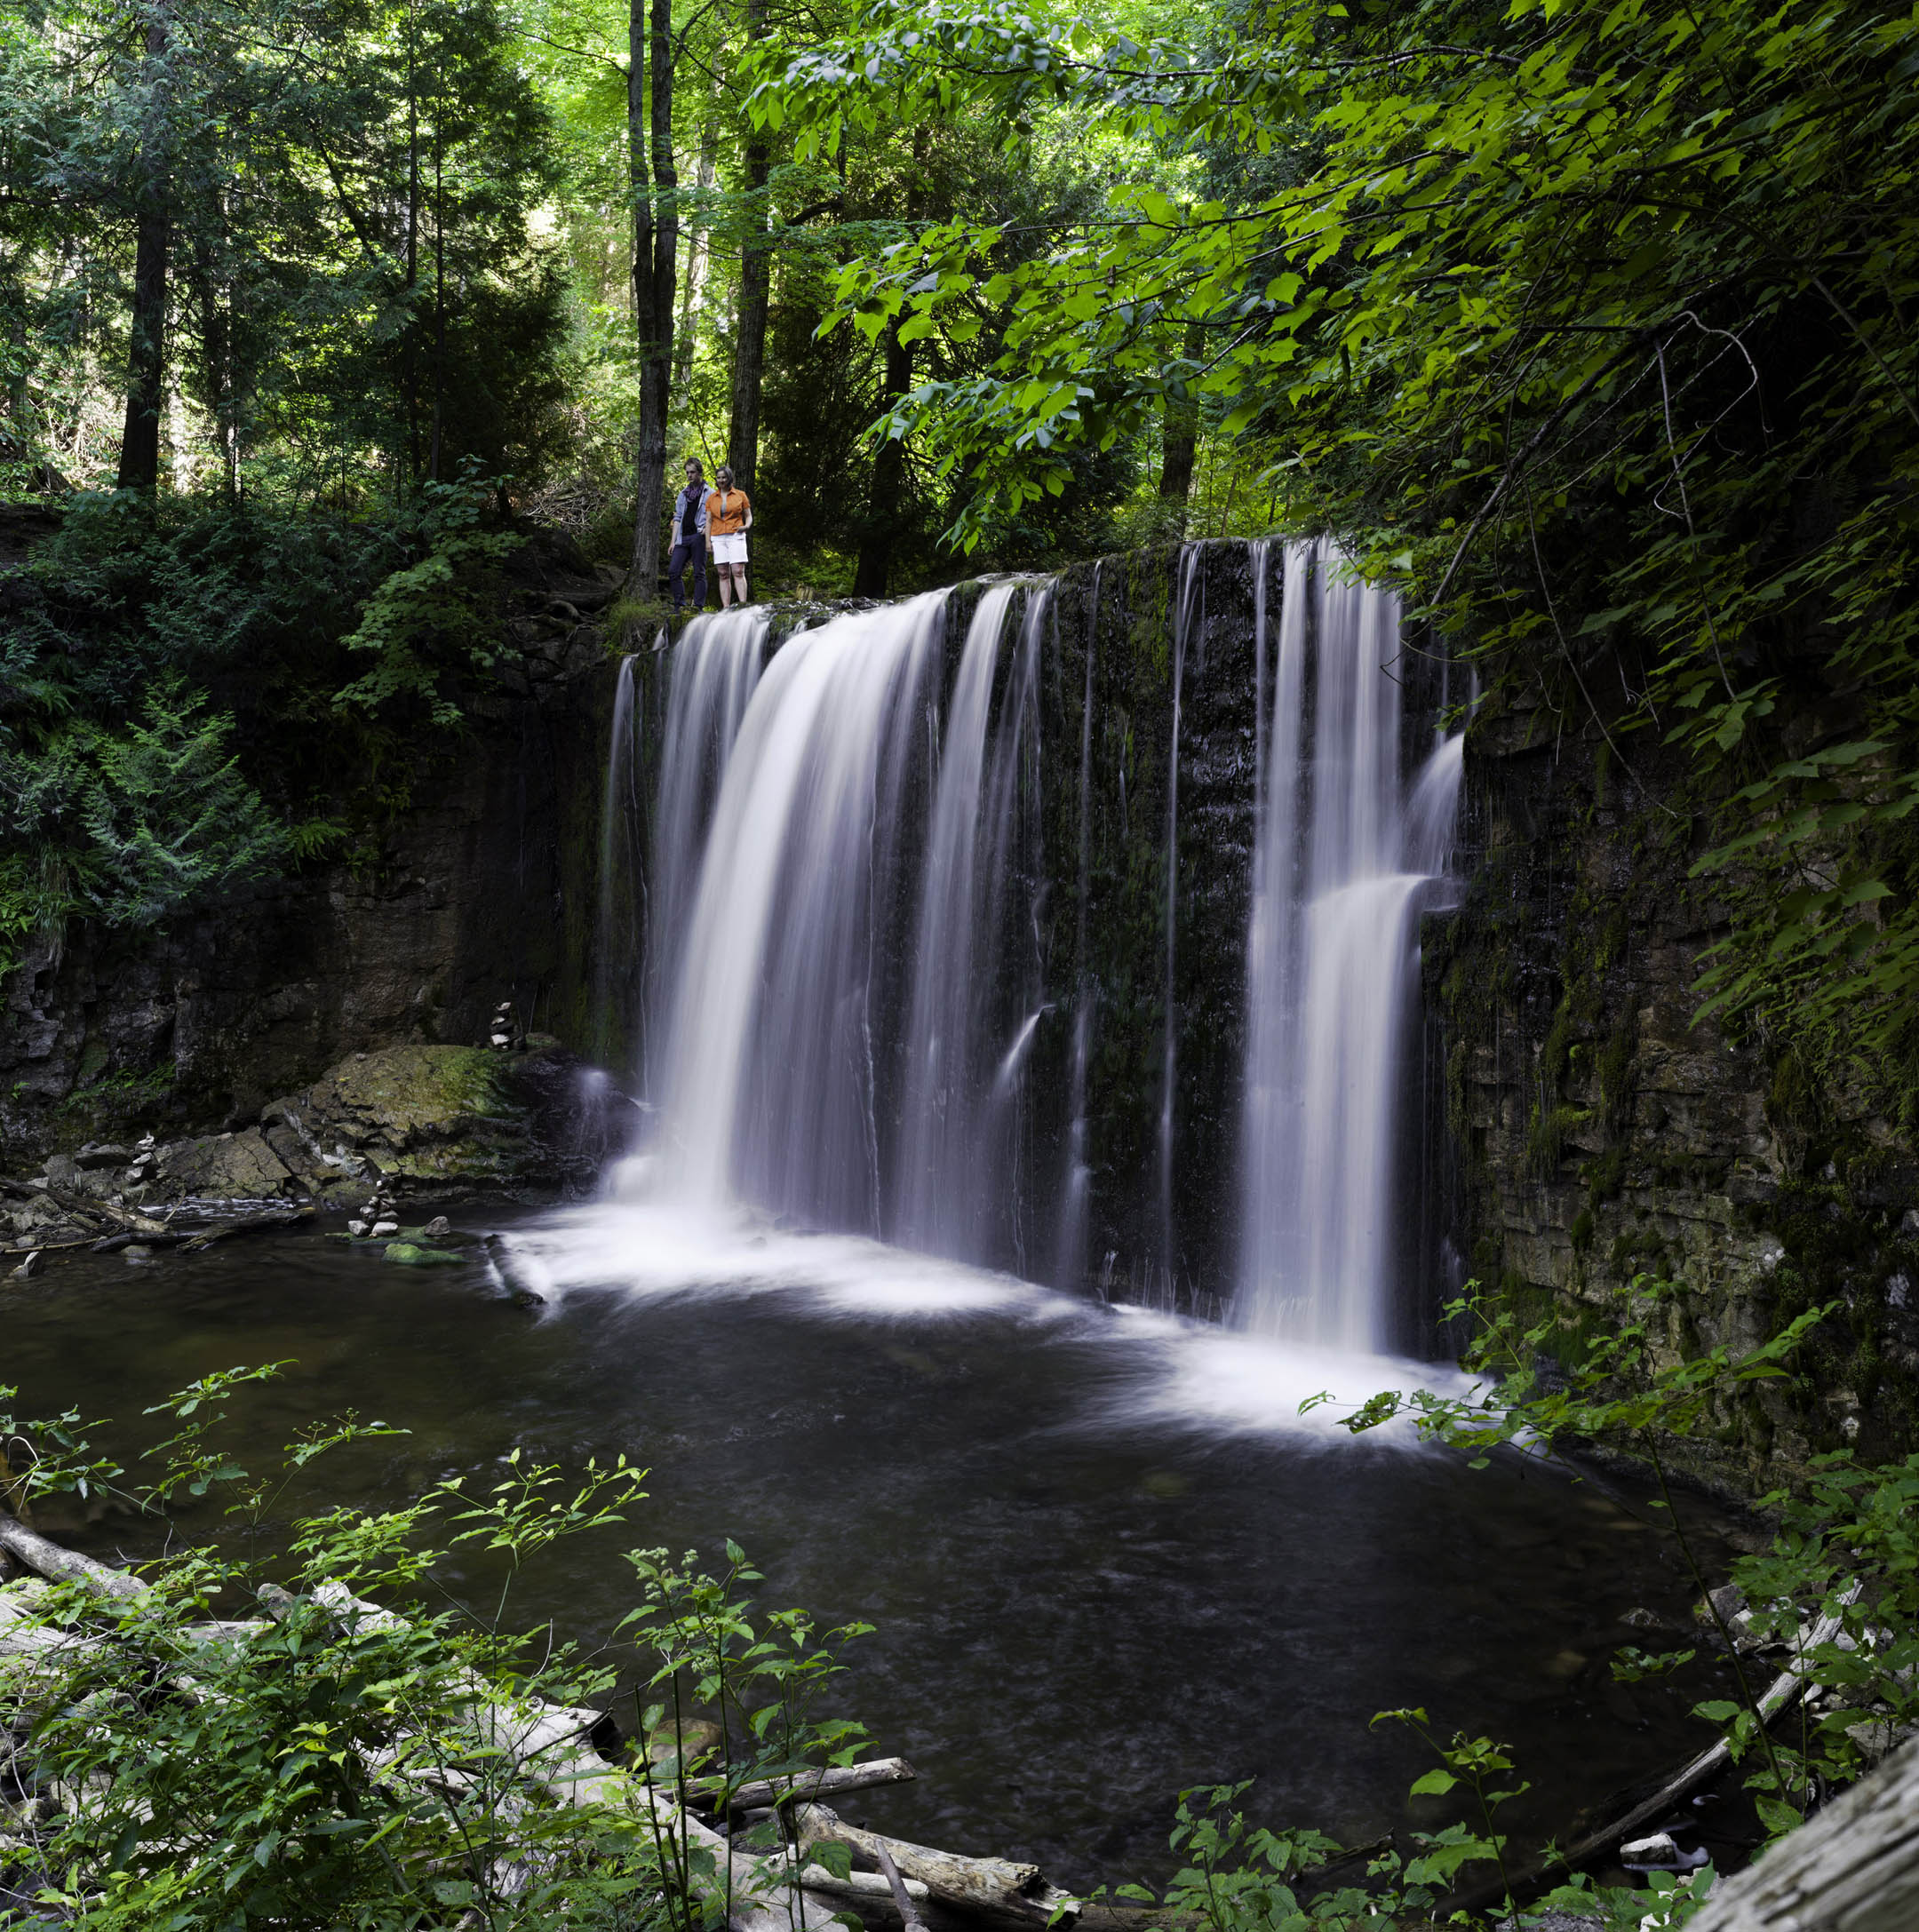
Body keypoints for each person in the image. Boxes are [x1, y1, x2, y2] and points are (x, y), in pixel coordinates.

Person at [705, 465, 753, 607]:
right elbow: (708, 521)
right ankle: (726, 608)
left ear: (729, 478)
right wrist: (707, 542)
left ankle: (743, 605)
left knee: (738, 570)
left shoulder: (741, 495)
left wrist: (746, 526)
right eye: (719, 478)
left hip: (736, 535)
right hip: (718, 537)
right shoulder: (711, 498)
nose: (721, 480)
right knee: (723, 573)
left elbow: (749, 516)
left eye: (724, 477)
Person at [667, 457, 708, 612]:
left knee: (699, 572)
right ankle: (679, 605)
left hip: (699, 536)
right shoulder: (683, 494)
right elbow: (677, 517)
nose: (689, 475)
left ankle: (698, 607)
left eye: (692, 472)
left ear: (699, 472)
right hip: (682, 538)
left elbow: (715, 516)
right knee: (673, 571)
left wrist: (707, 530)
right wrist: (673, 541)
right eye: (687, 473)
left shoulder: (709, 493)